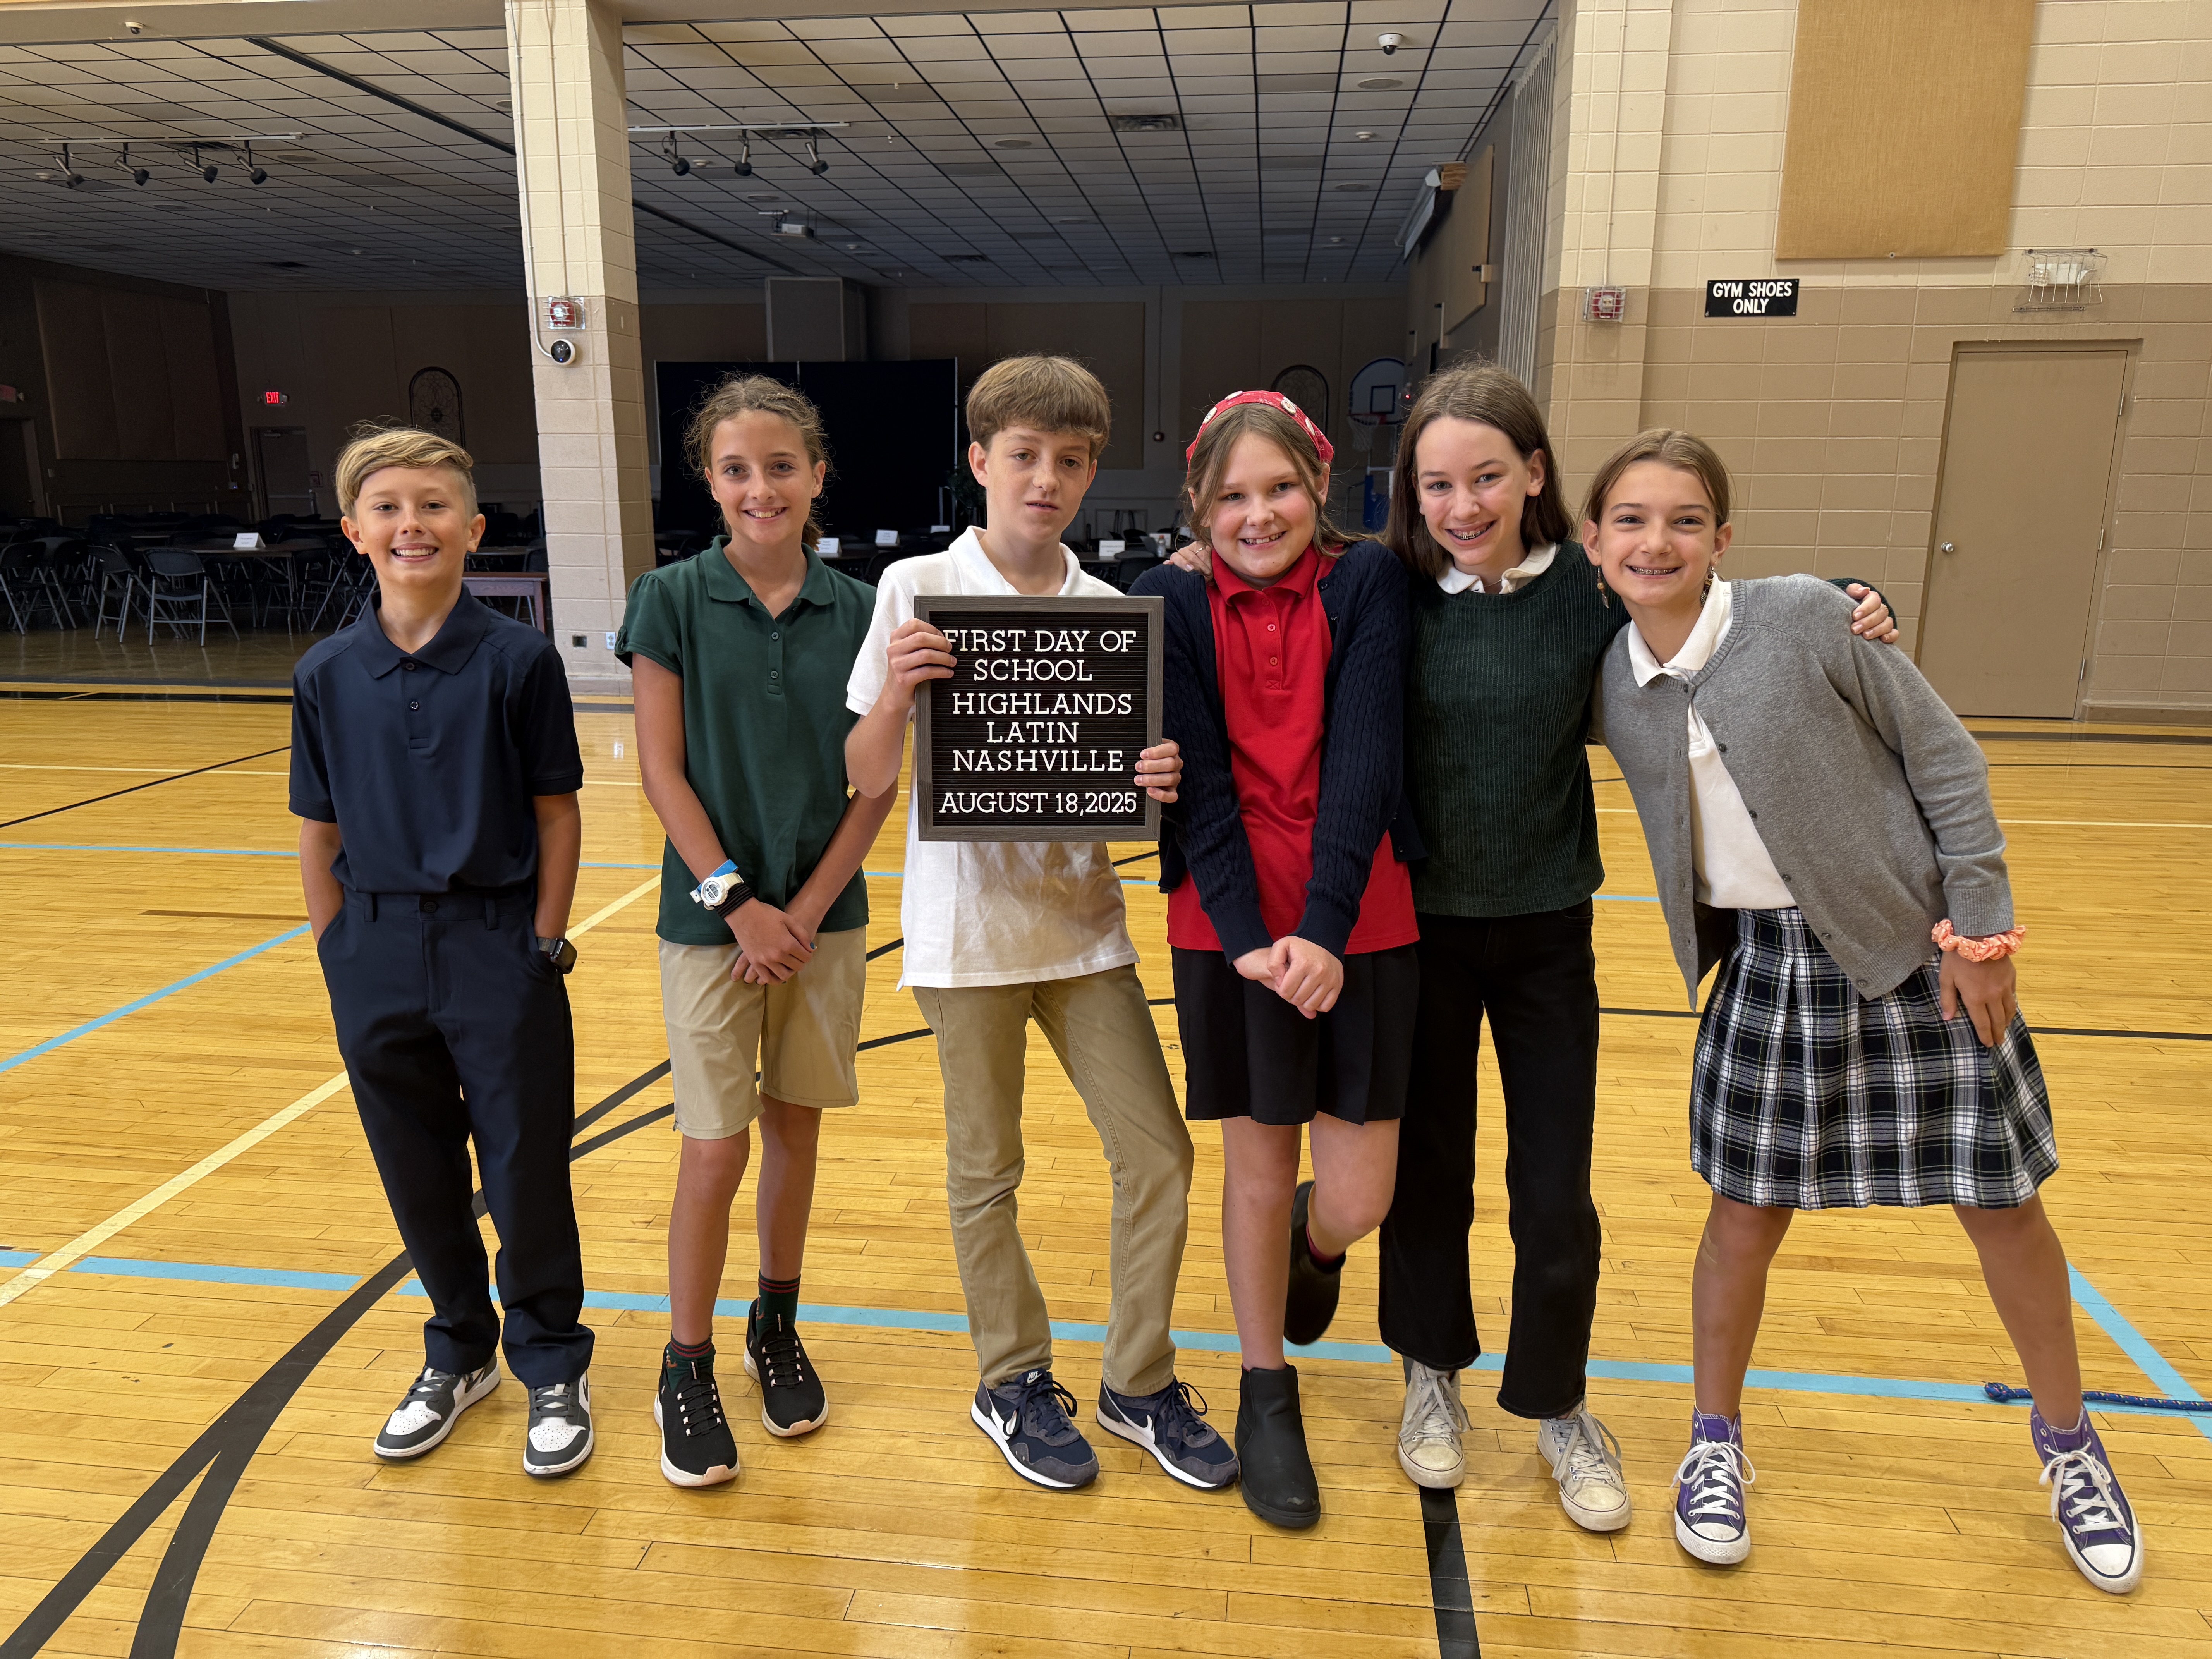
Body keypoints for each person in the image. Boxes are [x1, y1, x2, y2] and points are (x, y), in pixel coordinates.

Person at [1584, 427, 2143, 1593]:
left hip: (1918, 954)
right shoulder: (1610, 680)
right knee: (1743, 1216)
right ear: (1594, 541)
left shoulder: (1806, 616)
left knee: (2003, 1208)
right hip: (1766, 970)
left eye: (1686, 519)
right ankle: (1715, 1443)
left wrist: (1981, 932)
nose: (1657, 540)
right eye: (1630, 519)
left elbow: (1947, 762)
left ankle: (2071, 1444)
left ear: (1723, 538)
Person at [1371, 366, 1896, 1531]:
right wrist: (1183, 566)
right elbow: (1272, 581)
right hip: (1420, 935)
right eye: (1438, 484)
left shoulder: (1589, 589)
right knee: (1431, 1174)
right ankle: (1429, 1373)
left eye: (1488, 477)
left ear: (1535, 476)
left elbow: (1712, 606)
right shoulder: (1391, 589)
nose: (1463, 504)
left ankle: (1558, 1403)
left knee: (1554, 1187)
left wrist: (1851, 596)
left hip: (1548, 935)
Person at [844, 354, 1237, 1497]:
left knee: (1159, 1154)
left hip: (1083, 931)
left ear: (1092, 472)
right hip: (965, 938)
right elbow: (864, 773)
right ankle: (1010, 1376)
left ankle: (1137, 1379)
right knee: (988, 1167)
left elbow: (1127, 784)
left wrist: (1156, 779)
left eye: (1069, 461)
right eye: (1023, 455)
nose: (1045, 479)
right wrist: (899, 694)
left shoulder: (1111, 615)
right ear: (980, 460)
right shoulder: (918, 586)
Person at [1133, 391, 1418, 1529]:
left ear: (1321, 485)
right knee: (1253, 1172)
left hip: (1362, 920)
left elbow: (1365, 760)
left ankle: (1318, 1243)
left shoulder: (1368, 582)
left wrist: (1326, 931)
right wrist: (1253, 942)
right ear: (1201, 505)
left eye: (1282, 488)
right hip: (1229, 929)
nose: (1259, 515)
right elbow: (1197, 782)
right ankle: (1265, 1388)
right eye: (1233, 496)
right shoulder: (1169, 599)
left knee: (1358, 1194)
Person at [291, 427, 595, 1478]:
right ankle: (459, 1348)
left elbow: (557, 813)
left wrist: (543, 939)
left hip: (497, 941)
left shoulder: (519, 660)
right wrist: (336, 946)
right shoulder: (326, 672)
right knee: (414, 1164)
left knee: (524, 1163)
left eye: (432, 506)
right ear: (354, 530)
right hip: (374, 946)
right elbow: (318, 829)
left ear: (473, 527)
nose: (410, 524)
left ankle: (550, 1358)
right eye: (387, 507)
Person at [616, 377, 895, 1488]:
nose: (761, 487)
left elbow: (876, 784)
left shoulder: (867, 609)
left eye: (782, 466)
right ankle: (684, 1361)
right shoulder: (670, 598)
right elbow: (660, 769)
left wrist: (808, 910)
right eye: (737, 469)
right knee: (714, 1146)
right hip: (710, 925)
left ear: (818, 475)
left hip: (824, 919)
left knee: (795, 1132)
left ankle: (774, 1323)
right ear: (711, 480)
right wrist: (737, 902)